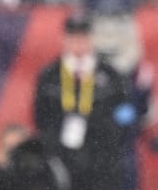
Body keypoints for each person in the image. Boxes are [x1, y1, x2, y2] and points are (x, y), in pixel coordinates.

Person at [33, 13, 144, 190]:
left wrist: (110, 140)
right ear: (64, 39)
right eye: (73, 37)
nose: (78, 42)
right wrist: (55, 147)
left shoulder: (111, 75)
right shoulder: (49, 76)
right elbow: (40, 117)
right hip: (63, 159)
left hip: (103, 160)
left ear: (92, 38)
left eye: (83, 37)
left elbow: (126, 113)